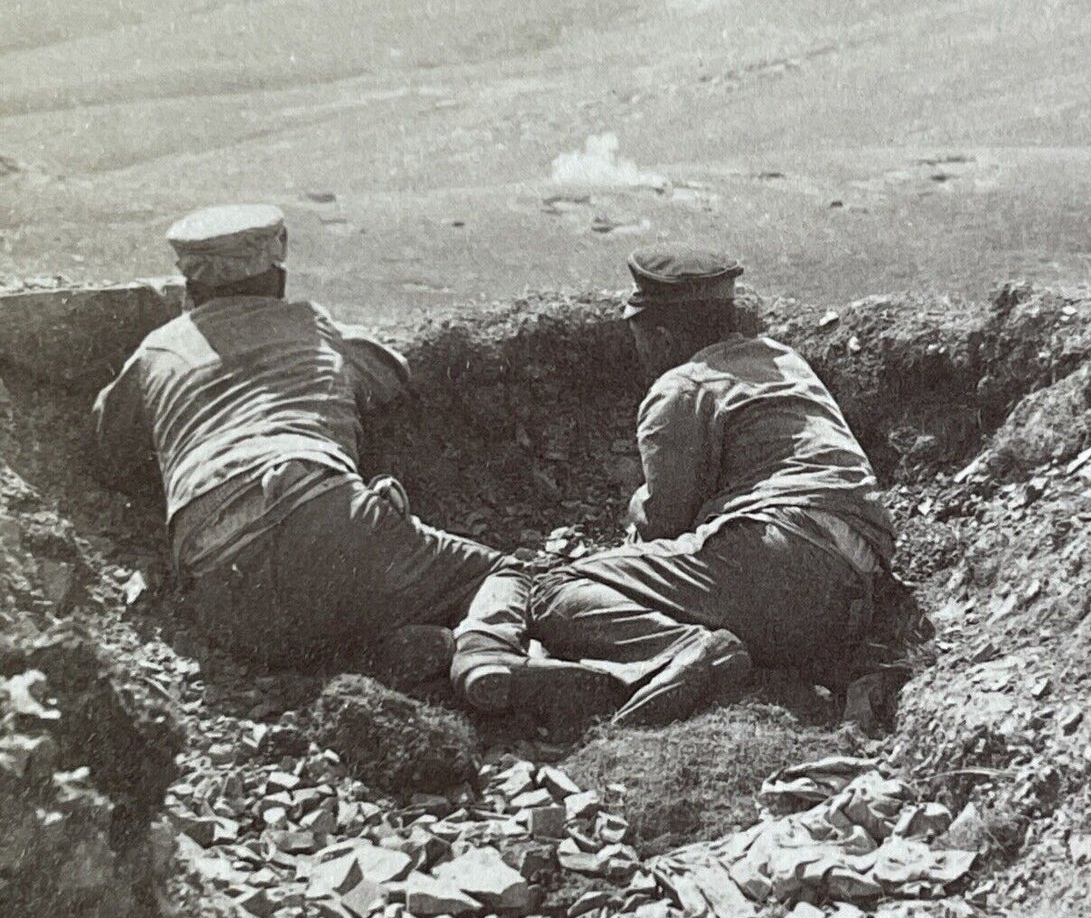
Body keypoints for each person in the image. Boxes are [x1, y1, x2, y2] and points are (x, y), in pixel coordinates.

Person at [93, 203, 611, 715]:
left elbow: (109, 450)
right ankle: (485, 652)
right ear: (277, 275)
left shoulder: (155, 351)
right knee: (505, 572)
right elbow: (392, 374)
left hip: (218, 589)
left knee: (301, 637)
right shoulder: (309, 324)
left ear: (189, 286)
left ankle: (387, 655)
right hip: (320, 512)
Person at [451, 246, 894, 726]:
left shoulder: (683, 386)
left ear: (662, 337)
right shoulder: (784, 361)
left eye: (640, 339)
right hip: (857, 591)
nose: (640, 353)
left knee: (551, 587)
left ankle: (679, 651)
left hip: (780, 556)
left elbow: (665, 521)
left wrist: (633, 517)